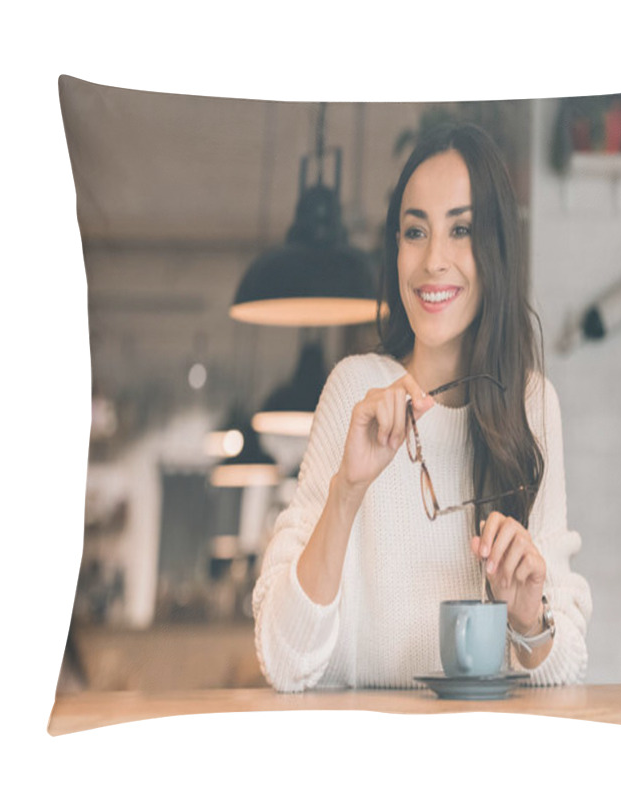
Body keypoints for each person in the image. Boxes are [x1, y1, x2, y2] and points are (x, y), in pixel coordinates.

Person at [252, 122, 592, 691]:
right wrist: (347, 491)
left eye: (461, 229)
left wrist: (529, 617)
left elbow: (567, 665)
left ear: (496, 250)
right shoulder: (355, 390)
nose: (434, 259)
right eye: (415, 232)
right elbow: (285, 662)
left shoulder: (531, 405)